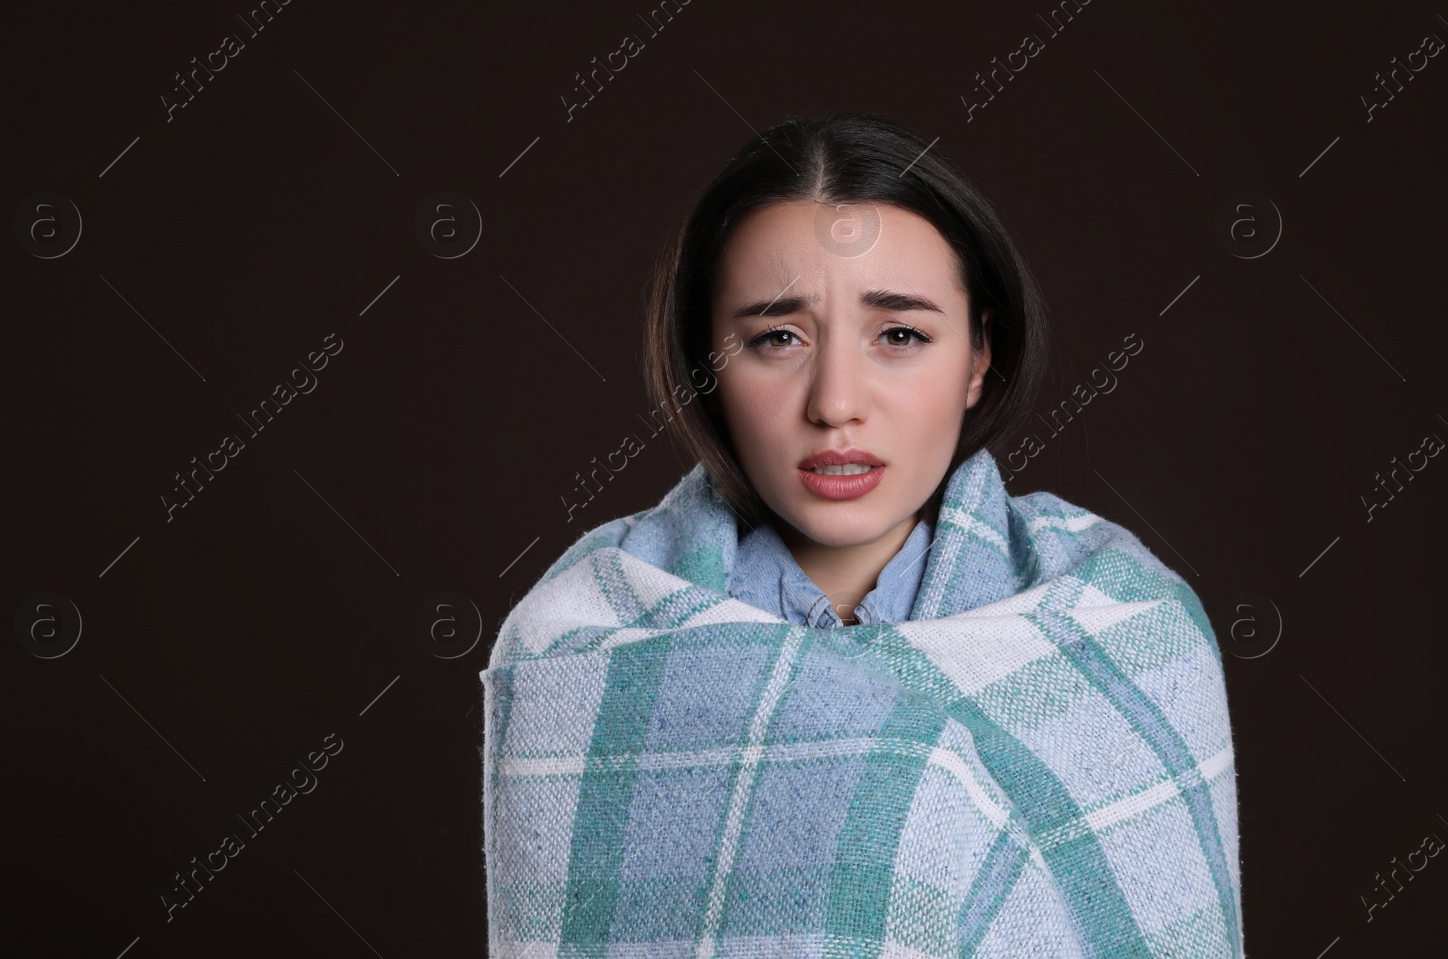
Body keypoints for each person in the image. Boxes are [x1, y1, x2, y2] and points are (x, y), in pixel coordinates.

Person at [481, 111, 1243, 957]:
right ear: (707, 360)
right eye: (777, 338)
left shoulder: (1122, 627)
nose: (836, 400)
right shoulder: (585, 646)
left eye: (901, 335)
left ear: (980, 355)